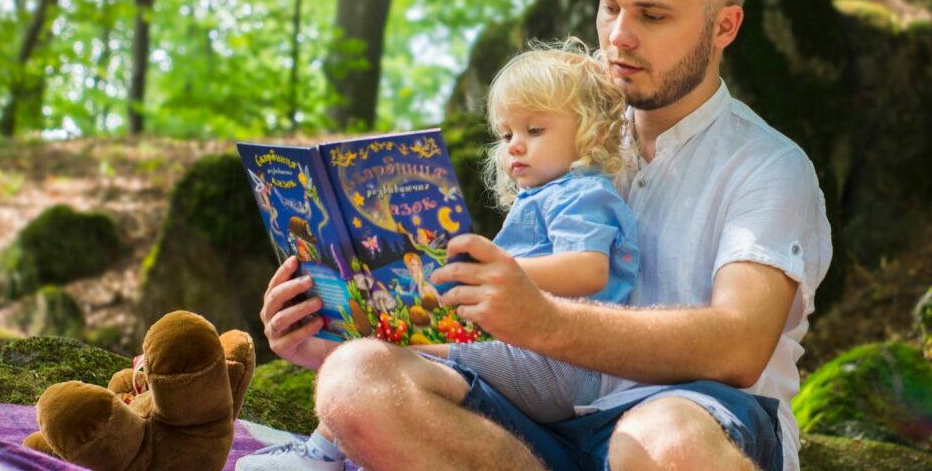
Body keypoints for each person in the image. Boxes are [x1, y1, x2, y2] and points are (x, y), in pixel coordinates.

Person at [259, 0, 831, 471]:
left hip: (693, 419)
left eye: (652, 16)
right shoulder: (563, 138)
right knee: (354, 377)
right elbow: (489, 339)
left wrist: (544, 319)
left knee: (663, 436)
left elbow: (739, 346)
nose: (619, 36)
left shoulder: (769, 166)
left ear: (724, 26)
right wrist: (327, 335)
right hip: (536, 424)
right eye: (609, 7)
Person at [238, 45, 641, 470]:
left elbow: (589, 269)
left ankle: (318, 457)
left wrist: (493, 272)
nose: (515, 147)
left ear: (592, 134)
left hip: (555, 365)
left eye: (535, 130)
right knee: (393, 346)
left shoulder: (583, 193)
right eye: (507, 136)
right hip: (530, 358)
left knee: (404, 345)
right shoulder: (546, 197)